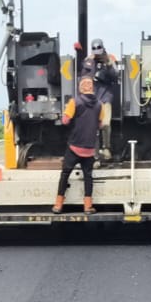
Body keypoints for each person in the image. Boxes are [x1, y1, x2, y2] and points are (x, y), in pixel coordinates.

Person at [54, 76, 102, 214]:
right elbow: (101, 124)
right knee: (88, 177)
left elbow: (65, 121)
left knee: (65, 174)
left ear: (81, 88)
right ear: (92, 88)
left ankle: (58, 205)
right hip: (89, 149)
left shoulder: (74, 102)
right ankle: (88, 207)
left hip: (74, 146)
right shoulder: (100, 104)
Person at [80, 39, 119, 157]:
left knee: (106, 124)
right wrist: (90, 64)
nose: (97, 51)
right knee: (93, 126)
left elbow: (115, 75)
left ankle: (106, 148)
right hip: (92, 98)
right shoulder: (89, 60)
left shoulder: (110, 58)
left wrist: (107, 63)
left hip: (106, 97)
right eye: (94, 48)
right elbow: (84, 76)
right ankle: (94, 154)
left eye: (99, 48)